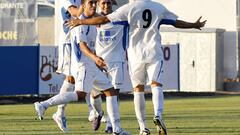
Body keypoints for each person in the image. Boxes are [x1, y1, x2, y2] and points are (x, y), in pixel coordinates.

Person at [66, 0, 206, 135]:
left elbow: (103, 20)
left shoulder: (129, 8)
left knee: (138, 90)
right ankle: (158, 115)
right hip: (154, 52)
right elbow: (177, 23)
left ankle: (143, 128)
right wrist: (194, 24)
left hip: (135, 55)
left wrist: (81, 21)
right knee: (156, 84)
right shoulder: (158, 7)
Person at [34, 0, 130, 134]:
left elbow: (91, 45)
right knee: (80, 95)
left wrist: (96, 60)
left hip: (91, 65)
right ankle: (43, 105)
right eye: (90, 3)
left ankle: (117, 129)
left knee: (111, 92)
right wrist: (95, 58)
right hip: (83, 66)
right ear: (83, 6)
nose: (93, 6)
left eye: (94, 3)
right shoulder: (78, 24)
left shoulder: (91, 21)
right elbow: (83, 47)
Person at [93, 0, 129, 133]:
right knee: (94, 94)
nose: (106, 5)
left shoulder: (121, 19)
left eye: (108, 3)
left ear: (112, 3)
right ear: (98, 4)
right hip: (99, 63)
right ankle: (98, 113)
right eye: (103, 3)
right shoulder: (93, 20)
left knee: (114, 94)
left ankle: (110, 124)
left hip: (117, 61)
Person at [52, 0, 83, 133]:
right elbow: (75, 12)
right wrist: (87, 6)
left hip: (78, 39)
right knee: (71, 78)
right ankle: (59, 113)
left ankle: (95, 112)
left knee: (80, 75)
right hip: (67, 41)